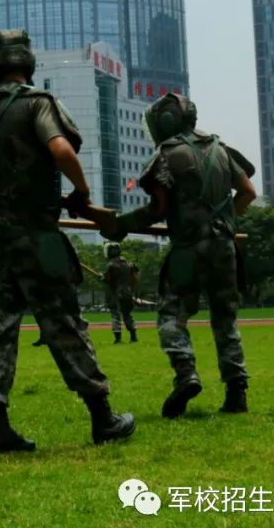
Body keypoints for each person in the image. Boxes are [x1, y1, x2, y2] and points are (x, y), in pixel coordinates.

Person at [0, 29, 134, 453]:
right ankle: (103, 417)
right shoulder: (37, 104)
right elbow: (62, 151)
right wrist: (83, 195)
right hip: (36, 237)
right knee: (64, 324)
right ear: (26, 63)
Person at [102, 93, 256, 417]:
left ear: (165, 121)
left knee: (171, 317)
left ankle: (186, 374)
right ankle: (237, 393)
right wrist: (225, 222)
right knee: (225, 320)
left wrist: (122, 225)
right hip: (225, 247)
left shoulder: (166, 154)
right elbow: (248, 193)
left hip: (188, 250)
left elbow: (157, 208)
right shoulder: (221, 149)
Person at [103, 243, 139, 344]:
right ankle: (133, 337)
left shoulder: (111, 265)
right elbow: (135, 279)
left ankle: (118, 339)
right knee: (127, 314)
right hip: (127, 293)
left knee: (115, 315)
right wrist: (132, 291)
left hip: (115, 293)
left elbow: (107, 279)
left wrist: (103, 278)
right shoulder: (129, 263)